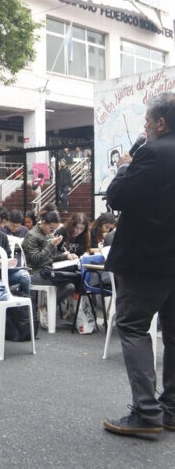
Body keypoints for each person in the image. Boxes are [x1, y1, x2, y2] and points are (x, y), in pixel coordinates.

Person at [103, 92, 175, 435]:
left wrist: (125, 167)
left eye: (147, 123)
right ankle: (171, 410)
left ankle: (147, 414)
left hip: (147, 260)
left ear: (160, 123)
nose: (145, 129)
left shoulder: (151, 153)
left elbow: (117, 197)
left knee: (132, 327)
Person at [21, 210, 78, 305]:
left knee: (71, 285)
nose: (53, 232)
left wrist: (67, 256)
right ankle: (45, 307)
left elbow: (52, 257)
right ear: (43, 222)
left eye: (55, 229)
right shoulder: (32, 235)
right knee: (69, 283)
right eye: (51, 229)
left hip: (48, 270)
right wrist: (51, 245)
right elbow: (35, 259)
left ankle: (46, 307)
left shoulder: (49, 234)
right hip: (35, 272)